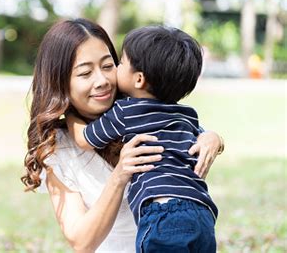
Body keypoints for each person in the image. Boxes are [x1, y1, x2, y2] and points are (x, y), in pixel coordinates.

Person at [21, 18, 224, 252]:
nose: (103, 81)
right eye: (86, 73)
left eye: (108, 66)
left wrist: (214, 139)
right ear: (59, 82)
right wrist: (120, 175)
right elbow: (81, 242)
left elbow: (189, 129)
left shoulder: (137, 112)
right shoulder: (58, 148)